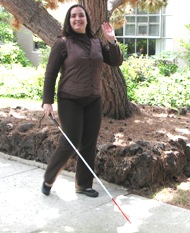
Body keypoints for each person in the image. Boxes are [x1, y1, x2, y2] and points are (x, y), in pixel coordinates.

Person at [42, 4, 123, 198]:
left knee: (89, 142)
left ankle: (83, 185)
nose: (77, 19)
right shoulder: (62, 43)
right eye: (73, 17)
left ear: (87, 19)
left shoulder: (96, 43)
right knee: (70, 142)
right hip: (70, 100)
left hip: (94, 100)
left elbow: (115, 61)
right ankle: (49, 178)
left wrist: (112, 41)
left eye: (81, 16)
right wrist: (47, 101)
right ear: (69, 21)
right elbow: (50, 73)